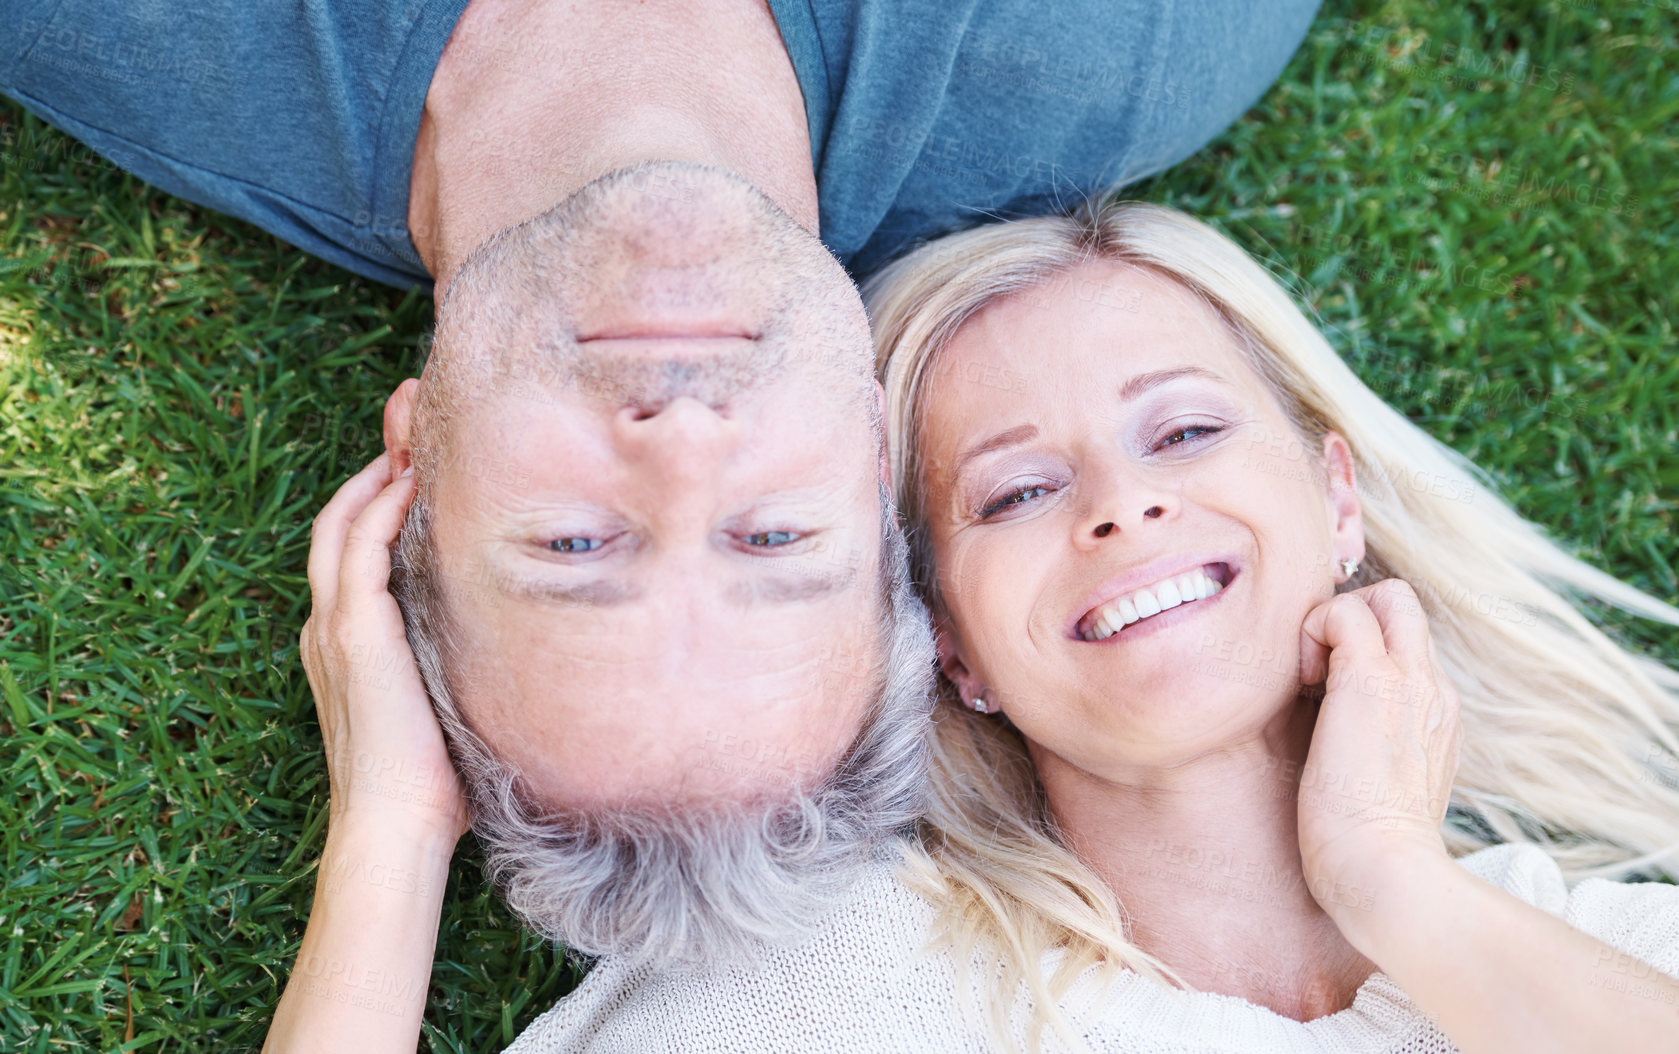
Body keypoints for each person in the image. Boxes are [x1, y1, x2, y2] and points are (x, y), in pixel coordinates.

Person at [285, 204, 1679, 1054]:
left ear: (1334, 499)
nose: (1126, 503)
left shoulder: (1611, 960)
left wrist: (1398, 886)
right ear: (950, 638)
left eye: (1186, 429)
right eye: (1017, 489)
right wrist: (395, 833)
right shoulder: (836, 996)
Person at [2, 0, 1320, 957]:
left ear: (414, 469)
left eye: (577, 545)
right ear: (872, 449)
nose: (683, 438)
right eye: (774, 535)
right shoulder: (1142, 44)